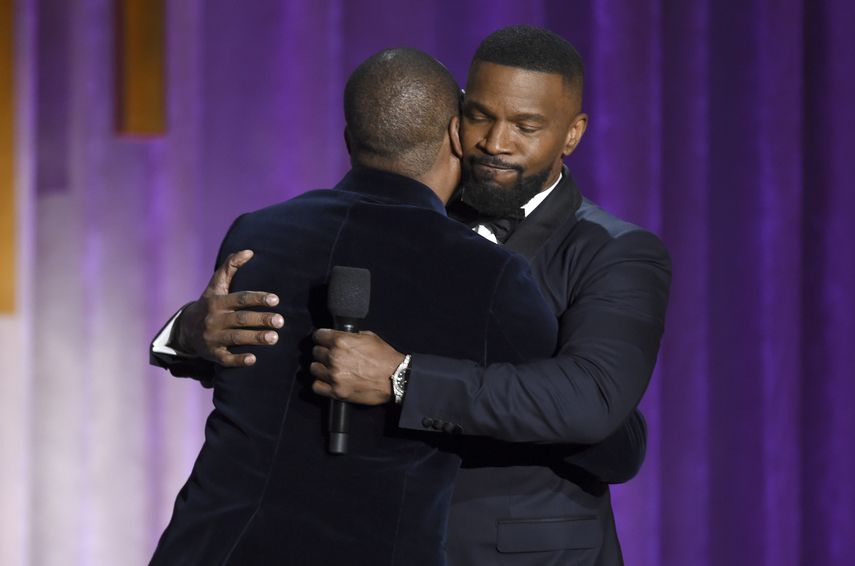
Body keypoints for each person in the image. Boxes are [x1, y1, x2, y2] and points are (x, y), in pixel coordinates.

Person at [153, 27, 671, 566]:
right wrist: (189, 332)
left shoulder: (619, 253)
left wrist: (404, 378)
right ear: (455, 118)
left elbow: (604, 421)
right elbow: (293, 364)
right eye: (481, 117)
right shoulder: (406, 221)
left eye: (526, 125)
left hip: (517, 553)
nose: (496, 142)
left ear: (572, 133)